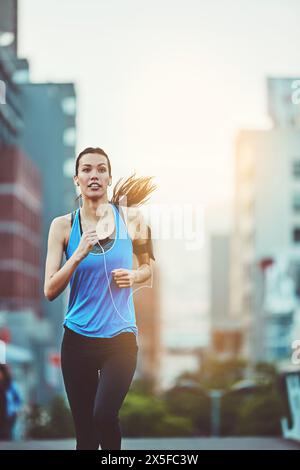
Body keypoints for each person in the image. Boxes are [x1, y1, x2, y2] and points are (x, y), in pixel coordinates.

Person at [44, 147, 156, 450]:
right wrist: (77, 255)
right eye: (87, 169)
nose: (94, 175)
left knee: (104, 416)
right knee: (85, 437)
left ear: (108, 177)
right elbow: (50, 290)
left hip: (120, 339)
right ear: (77, 179)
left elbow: (148, 268)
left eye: (101, 169)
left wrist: (134, 276)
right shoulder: (63, 226)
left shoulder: (132, 219)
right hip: (77, 340)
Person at [0, 364, 23, 440]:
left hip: (8, 416)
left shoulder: (10, 385)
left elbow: (18, 400)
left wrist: (15, 409)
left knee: (6, 436)